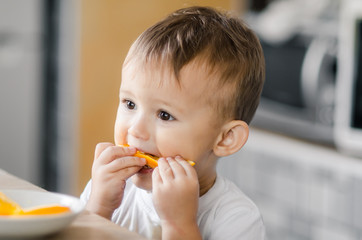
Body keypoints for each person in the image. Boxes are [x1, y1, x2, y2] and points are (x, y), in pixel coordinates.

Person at [80, 6, 266, 240]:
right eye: (129, 104)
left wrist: (179, 224)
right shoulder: (108, 189)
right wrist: (97, 209)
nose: (136, 131)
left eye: (164, 115)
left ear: (226, 139)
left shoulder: (236, 219)